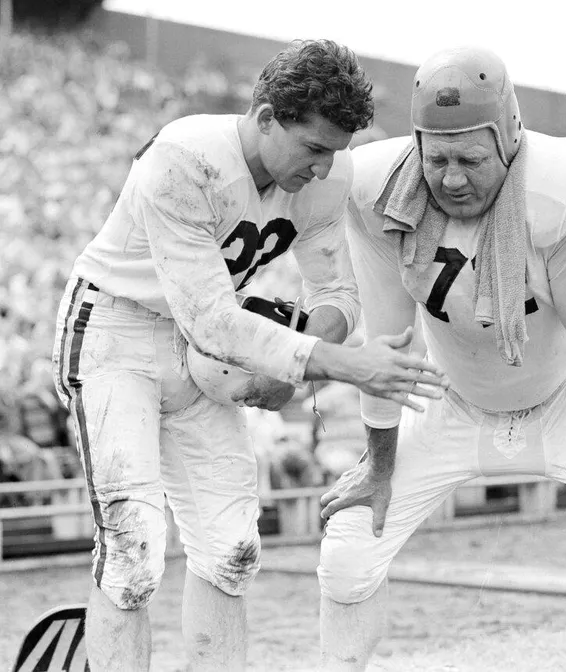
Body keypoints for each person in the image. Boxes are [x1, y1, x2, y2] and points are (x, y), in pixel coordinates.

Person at [317, 46, 566, 671]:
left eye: (472, 159)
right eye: (439, 159)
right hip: (448, 398)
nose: (453, 179)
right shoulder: (377, 188)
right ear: (416, 147)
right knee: (346, 557)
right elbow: (389, 342)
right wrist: (378, 462)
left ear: (511, 139)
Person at [51, 39, 447, 672]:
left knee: (231, 550)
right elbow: (210, 318)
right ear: (266, 117)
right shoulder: (184, 160)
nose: (323, 169)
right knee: (133, 552)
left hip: (206, 345)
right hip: (114, 334)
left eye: (334, 152)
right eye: (313, 148)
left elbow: (335, 293)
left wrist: (301, 352)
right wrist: (336, 363)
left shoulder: (326, 176)